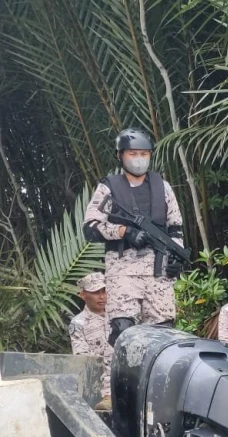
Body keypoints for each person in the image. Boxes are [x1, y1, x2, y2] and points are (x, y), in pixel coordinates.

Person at [83, 128, 185, 347]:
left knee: (163, 337)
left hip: (159, 274)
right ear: (120, 155)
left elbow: (175, 228)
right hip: (123, 273)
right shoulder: (108, 188)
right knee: (123, 332)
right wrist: (124, 232)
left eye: (144, 154)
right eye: (133, 154)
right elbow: (90, 227)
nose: (139, 159)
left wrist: (176, 258)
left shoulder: (163, 187)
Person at [69, 272, 113, 410]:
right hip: (96, 386)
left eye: (104, 291)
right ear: (83, 295)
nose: (101, 297)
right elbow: (83, 358)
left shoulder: (119, 318)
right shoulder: (78, 323)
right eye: (95, 292)